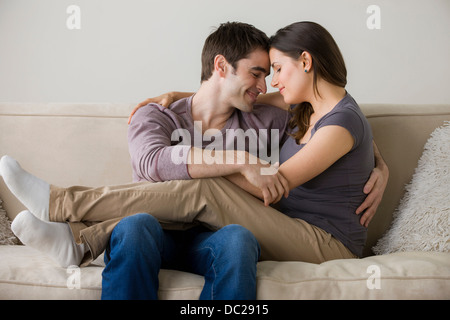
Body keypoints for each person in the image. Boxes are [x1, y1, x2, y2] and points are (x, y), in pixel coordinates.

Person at [0, 21, 388, 299]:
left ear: (306, 62)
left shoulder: (324, 117)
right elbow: (163, 155)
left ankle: (64, 209)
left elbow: (289, 173)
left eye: (277, 71)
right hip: (260, 227)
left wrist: (381, 169)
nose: (272, 83)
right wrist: (179, 95)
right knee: (196, 186)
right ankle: (73, 229)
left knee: (206, 185)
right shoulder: (303, 107)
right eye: (263, 73)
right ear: (221, 67)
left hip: (322, 241)